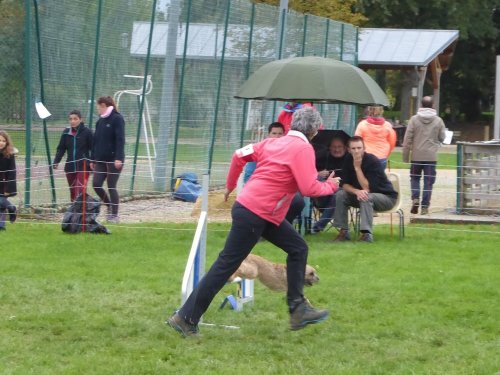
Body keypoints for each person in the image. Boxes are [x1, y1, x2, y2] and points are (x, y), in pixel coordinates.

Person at [167, 107, 340, 337]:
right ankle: (185, 317)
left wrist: (230, 185)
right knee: (225, 266)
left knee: (298, 248)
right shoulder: (303, 148)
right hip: (256, 212)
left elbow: (239, 155)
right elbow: (309, 188)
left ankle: (298, 309)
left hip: (258, 211)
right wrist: (331, 186)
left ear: (291, 125)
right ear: (315, 131)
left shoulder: (272, 143)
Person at [333, 136, 398, 243]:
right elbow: (344, 184)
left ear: (364, 148)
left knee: (366, 197)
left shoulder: (372, 161)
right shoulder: (347, 159)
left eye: (359, 148)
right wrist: (356, 191)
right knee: (341, 194)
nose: (356, 151)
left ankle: (366, 234)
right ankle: (343, 231)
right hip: (361, 196)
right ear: (348, 150)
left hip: (386, 197)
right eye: (353, 149)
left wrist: (357, 168)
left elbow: (367, 188)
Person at [402, 96, 446, 215]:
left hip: (416, 155)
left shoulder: (414, 120)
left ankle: (415, 198)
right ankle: (425, 206)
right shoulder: (438, 120)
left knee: (415, 178)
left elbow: (407, 139)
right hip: (431, 157)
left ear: (421, 105)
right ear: (433, 106)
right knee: (428, 181)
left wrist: (405, 157)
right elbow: (442, 137)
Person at [91, 96, 125, 223]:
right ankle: (109, 205)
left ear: (104, 105)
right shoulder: (100, 121)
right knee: (96, 184)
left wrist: (119, 158)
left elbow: (120, 140)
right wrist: (93, 159)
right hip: (100, 159)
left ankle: (114, 215)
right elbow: (96, 141)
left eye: (98, 106)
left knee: (111, 186)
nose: (98, 109)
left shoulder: (117, 118)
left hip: (113, 160)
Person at [53, 110, 93, 201]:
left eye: (75, 119)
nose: (73, 121)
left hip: (83, 166)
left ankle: (81, 213)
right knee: (73, 191)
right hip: (70, 166)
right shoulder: (66, 132)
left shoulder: (87, 132)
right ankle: (74, 211)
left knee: (80, 190)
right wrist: (56, 161)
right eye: (70, 119)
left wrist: (92, 161)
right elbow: (61, 148)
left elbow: (93, 148)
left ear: (80, 120)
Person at [311, 136, 348, 233]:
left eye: (339, 147)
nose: (337, 149)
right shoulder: (321, 157)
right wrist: (317, 174)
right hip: (321, 195)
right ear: (329, 147)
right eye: (334, 147)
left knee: (338, 195)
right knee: (317, 180)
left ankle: (318, 227)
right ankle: (311, 224)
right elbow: (308, 174)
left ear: (344, 147)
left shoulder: (349, 159)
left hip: (339, 197)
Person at [0, 130, 17, 230]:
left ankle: (12, 208)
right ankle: (1, 225)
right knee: (0, 205)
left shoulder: (9, 155)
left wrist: (9, 188)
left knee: (1, 201)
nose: (1, 143)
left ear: (7, 143)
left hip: (5, 184)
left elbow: (12, 172)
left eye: (3, 141)